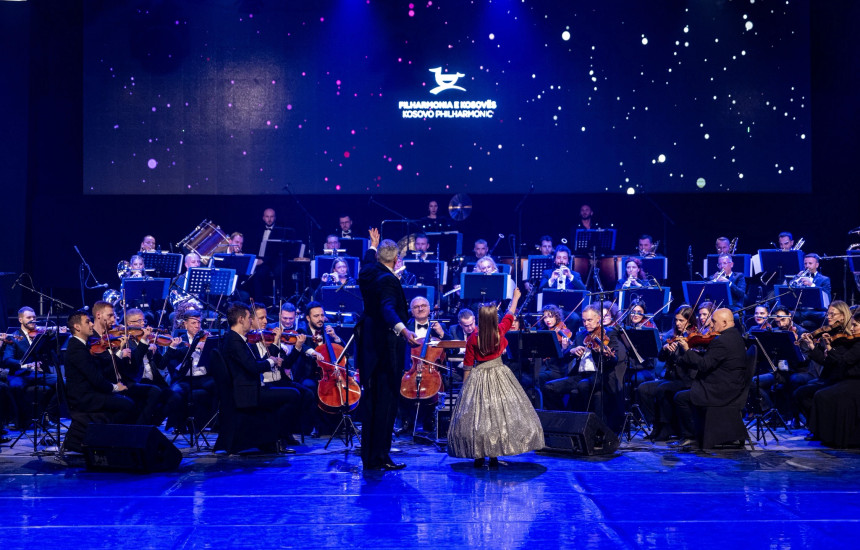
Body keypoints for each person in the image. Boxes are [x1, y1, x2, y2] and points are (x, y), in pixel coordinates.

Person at [447, 288, 544, 467]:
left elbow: (468, 365)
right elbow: (510, 314)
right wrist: (515, 298)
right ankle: (494, 456)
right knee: (498, 415)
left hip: (478, 377)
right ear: (493, 319)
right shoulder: (499, 331)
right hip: (499, 374)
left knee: (479, 416)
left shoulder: (473, 339)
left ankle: (478, 456)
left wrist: (465, 388)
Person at [356, 237, 417, 470]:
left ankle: (370, 457)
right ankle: (381, 457)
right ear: (397, 260)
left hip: (369, 350)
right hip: (386, 351)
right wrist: (404, 330)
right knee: (386, 405)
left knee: (372, 404)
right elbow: (388, 309)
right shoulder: (388, 280)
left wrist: (372, 245)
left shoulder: (368, 274)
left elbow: (367, 264)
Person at [218, 302, 299, 454]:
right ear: (241, 319)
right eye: (249, 317)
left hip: (251, 387)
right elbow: (253, 367)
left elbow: (253, 363)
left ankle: (272, 439)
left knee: (291, 392)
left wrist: (270, 358)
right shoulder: (234, 341)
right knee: (293, 395)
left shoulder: (237, 339)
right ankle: (277, 439)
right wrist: (271, 361)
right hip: (247, 392)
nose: (251, 321)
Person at [673, 308, 749, 447]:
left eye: (714, 321)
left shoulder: (722, 341)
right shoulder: (734, 336)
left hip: (721, 389)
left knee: (680, 397)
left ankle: (691, 436)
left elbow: (703, 365)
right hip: (730, 383)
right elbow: (713, 359)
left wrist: (688, 350)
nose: (711, 325)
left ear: (724, 323)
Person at [637, 305, 697, 441]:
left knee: (662, 389)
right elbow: (661, 358)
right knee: (643, 389)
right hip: (671, 377)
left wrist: (684, 349)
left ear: (690, 321)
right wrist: (664, 348)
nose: (678, 323)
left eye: (681, 320)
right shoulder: (672, 335)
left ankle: (666, 428)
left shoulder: (693, 337)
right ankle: (655, 424)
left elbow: (693, 362)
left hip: (686, 379)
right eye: (676, 320)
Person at [63, 310, 134, 423]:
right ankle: (104, 431)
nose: (92, 324)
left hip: (91, 393)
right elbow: (95, 378)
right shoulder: (77, 349)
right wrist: (115, 387)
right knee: (127, 404)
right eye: (87, 322)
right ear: (77, 327)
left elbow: (99, 371)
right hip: (85, 398)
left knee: (127, 399)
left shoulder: (82, 345)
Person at [805, 308, 860, 447]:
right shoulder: (854, 341)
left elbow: (844, 361)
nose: (852, 329)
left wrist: (829, 349)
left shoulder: (856, 343)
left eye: (855, 325)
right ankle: (824, 434)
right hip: (845, 378)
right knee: (813, 393)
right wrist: (820, 346)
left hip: (854, 380)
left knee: (822, 395)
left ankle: (829, 436)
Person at [2, 307, 59, 427]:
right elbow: (7, 359)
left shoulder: (41, 336)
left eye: (34, 317)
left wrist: (54, 337)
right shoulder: (13, 337)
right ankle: (20, 421)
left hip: (38, 374)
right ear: (20, 320)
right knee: (15, 386)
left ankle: (47, 415)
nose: (33, 320)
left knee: (63, 383)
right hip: (20, 374)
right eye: (29, 317)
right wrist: (25, 364)